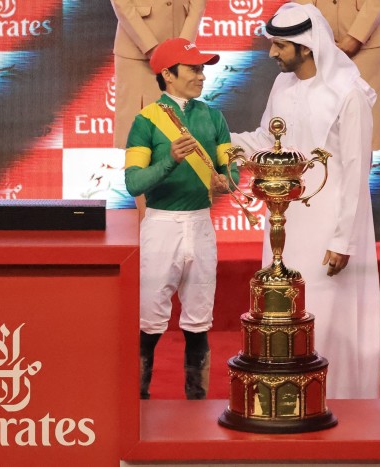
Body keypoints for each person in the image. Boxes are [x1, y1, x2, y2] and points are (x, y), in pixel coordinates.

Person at [231, 3, 380, 399]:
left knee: (330, 314)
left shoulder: (349, 95)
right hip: (286, 222)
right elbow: (267, 141)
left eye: (280, 45)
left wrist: (343, 240)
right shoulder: (283, 86)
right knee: (285, 311)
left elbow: (355, 169)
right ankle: (288, 399)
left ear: (306, 46)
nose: (272, 53)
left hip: (331, 225)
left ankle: (339, 402)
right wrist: (220, 143)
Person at [124, 38, 239, 400]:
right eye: (193, 69)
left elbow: (230, 172)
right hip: (160, 226)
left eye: (203, 68)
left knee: (199, 321)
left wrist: (226, 180)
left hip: (201, 224)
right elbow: (133, 183)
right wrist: (171, 159)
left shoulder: (214, 116)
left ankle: (197, 401)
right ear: (168, 75)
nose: (202, 76)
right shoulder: (145, 121)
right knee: (150, 321)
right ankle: (137, 401)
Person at [111, 0, 206, 219]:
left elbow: (198, 4)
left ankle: (178, 219)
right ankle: (147, 222)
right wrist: (152, 47)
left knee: (177, 132)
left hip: (180, 51)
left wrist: (183, 48)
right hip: (138, 52)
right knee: (141, 137)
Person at [294, 0, 380, 151]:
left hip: (368, 41)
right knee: (318, 123)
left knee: (361, 128)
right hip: (314, 42)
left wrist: (357, 36)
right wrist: (313, 29)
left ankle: (359, 175)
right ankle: (322, 174)